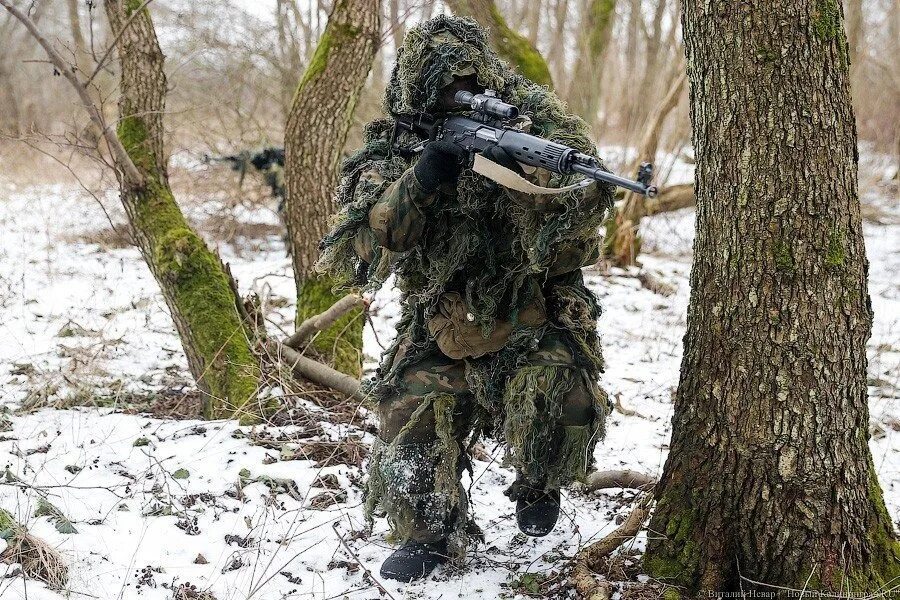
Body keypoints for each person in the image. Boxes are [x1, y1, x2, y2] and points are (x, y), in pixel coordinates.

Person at [316, 15, 614, 582]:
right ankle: (430, 534)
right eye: (448, 91)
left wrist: (525, 186)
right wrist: (428, 175)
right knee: (407, 411)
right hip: (442, 319)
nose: (463, 97)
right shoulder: (396, 143)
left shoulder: (535, 121)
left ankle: (539, 483)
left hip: (533, 310)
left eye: (470, 85)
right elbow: (368, 237)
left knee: (564, 395)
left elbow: (577, 238)